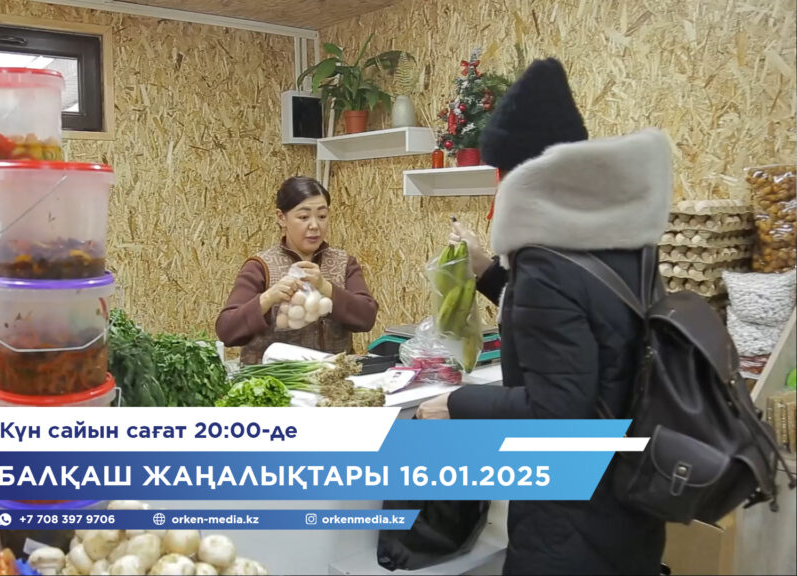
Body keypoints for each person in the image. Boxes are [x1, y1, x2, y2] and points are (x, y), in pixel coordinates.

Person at [417, 59, 671, 574]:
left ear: (525, 176)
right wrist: (488, 273)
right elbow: (585, 323)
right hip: (630, 501)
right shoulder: (626, 245)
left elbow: (557, 413)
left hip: (568, 521)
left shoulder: (544, 266)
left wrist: (456, 402)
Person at [216, 176, 378, 364]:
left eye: (322, 216)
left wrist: (325, 287)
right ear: (281, 218)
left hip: (335, 377)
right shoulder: (260, 266)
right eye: (303, 217)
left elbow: (366, 318)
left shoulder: (343, 262)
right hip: (275, 378)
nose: (315, 226)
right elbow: (227, 330)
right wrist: (268, 298)